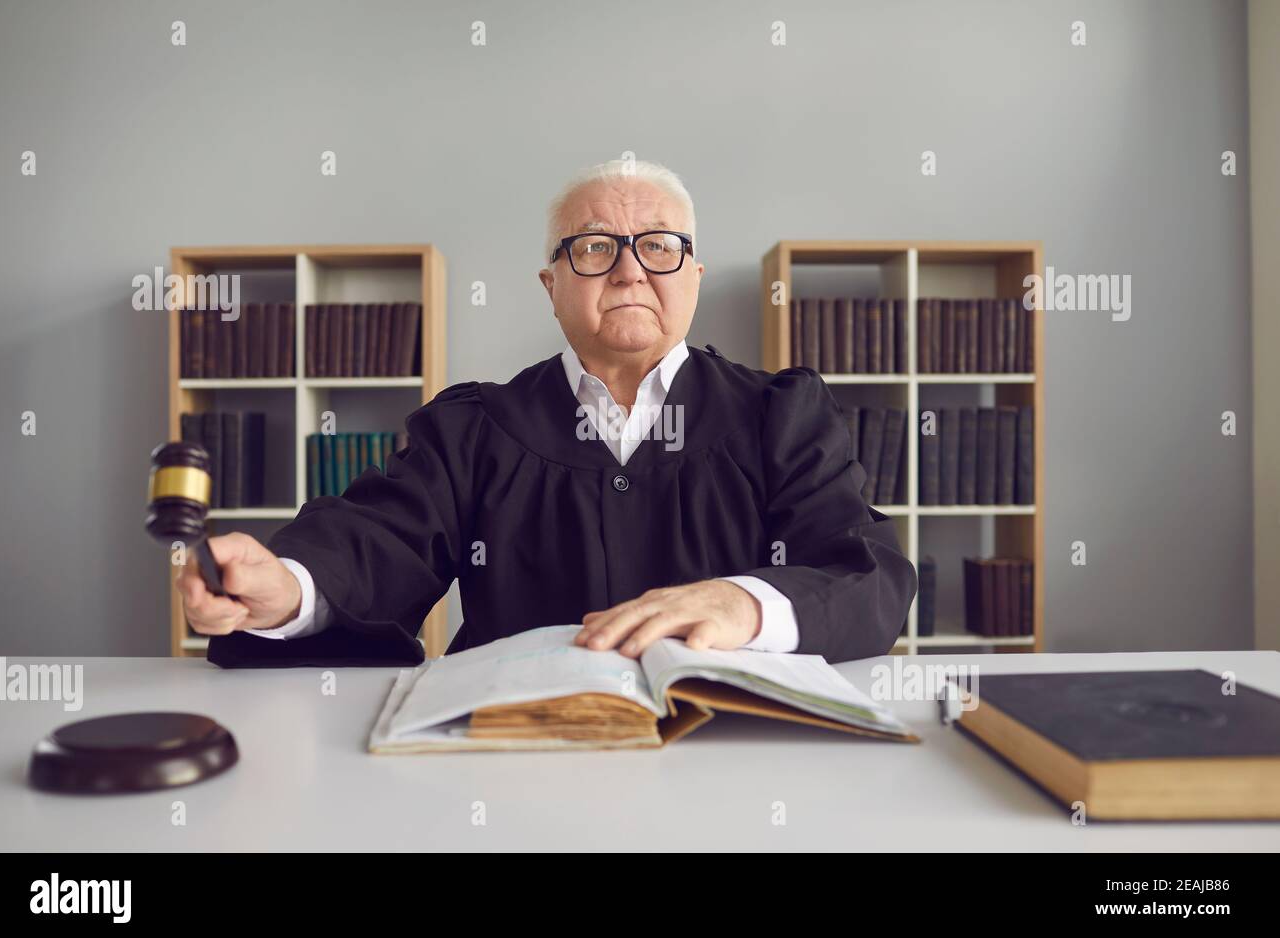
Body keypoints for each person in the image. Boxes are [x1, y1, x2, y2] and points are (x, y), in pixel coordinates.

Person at [179, 159, 917, 668]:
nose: (630, 268)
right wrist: (290, 589)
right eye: (595, 247)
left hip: (729, 770)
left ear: (692, 273)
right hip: (510, 771)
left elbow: (868, 573)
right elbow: (377, 542)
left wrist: (744, 605)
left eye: (659, 246)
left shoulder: (779, 416)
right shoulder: (471, 430)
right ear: (551, 281)